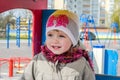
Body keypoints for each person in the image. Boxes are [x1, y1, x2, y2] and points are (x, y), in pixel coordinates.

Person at [19, 10, 95, 80]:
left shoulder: (81, 64)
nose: (55, 40)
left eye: (61, 36)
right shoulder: (38, 61)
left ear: (73, 40)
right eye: (50, 35)